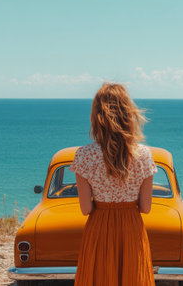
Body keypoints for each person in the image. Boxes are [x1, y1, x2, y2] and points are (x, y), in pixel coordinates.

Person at [69, 83, 157, 286]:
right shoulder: (144, 155)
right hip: (131, 229)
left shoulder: (84, 155)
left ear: (97, 117)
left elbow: (85, 208)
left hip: (99, 229)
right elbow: (145, 207)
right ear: (128, 114)